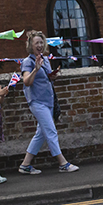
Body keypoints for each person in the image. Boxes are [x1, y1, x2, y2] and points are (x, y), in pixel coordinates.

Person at [19, 31, 79, 174]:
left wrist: (52, 76)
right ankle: (63, 163)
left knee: (41, 133)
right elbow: (27, 82)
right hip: (37, 101)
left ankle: (25, 165)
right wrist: (35, 69)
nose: (39, 45)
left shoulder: (45, 59)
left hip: (48, 101)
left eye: (41, 42)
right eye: (36, 43)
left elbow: (45, 79)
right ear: (30, 45)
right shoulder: (28, 62)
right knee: (51, 131)